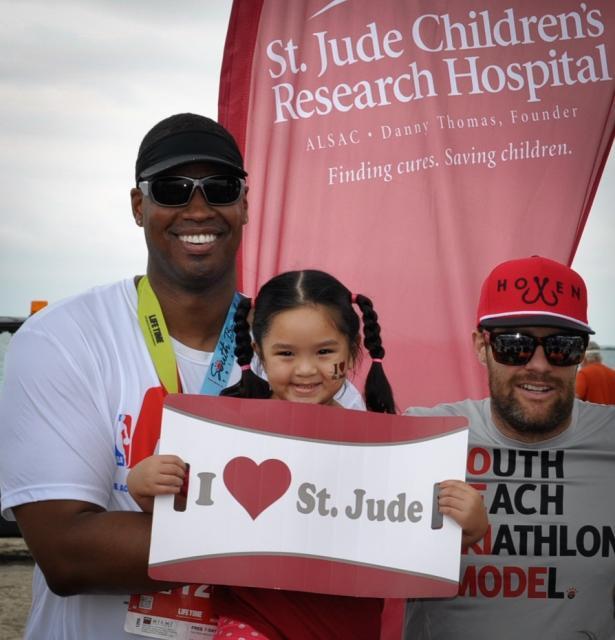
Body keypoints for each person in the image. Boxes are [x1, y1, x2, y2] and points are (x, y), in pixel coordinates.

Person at [0, 114, 354, 639]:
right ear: (139, 206)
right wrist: (299, 538)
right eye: (172, 189)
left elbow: (362, 517)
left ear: (244, 205)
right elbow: (69, 555)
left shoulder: (299, 351)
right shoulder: (61, 338)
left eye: (220, 188)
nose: (197, 208)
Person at [128, 269, 489, 640]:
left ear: (351, 353)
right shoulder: (224, 432)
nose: (305, 369)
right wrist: (142, 485)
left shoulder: (381, 448)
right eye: (285, 353)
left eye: (324, 352)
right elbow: (178, 513)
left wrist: (469, 527)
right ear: (259, 354)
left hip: (349, 628)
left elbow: (414, 538)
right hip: (251, 627)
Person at [404, 255, 615, 639]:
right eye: (513, 345)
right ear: (481, 347)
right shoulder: (422, 436)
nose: (539, 365)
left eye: (562, 346)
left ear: (581, 353)